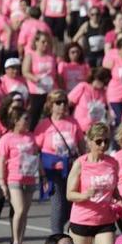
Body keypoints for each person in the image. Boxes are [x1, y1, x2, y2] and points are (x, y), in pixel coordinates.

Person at [67, 122, 120, 244]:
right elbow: (69, 194)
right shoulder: (80, 163)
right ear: (89, 142)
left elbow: (114, 189)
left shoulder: (112, 163)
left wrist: (118, 199)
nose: (103, 145)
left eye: (106, 141)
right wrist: (85, 195)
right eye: (98, 141)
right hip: (82, 220)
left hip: (105, 220)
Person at [34, 89, 85, 235]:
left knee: (69, 204)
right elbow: (35, 151)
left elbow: (82, 147)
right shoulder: (44, 125)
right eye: (58, 102)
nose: (63, 105)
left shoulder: (73, 123)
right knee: (58, 203)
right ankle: (56, 236)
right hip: (51, 170)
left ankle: (62, 228)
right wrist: (42, 174)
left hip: (71, 168)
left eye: (65, 102)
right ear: (51, 105)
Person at [0, 104, 41, 244]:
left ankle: (20, 243)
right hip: (14, 178)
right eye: (25, 119)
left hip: (30, 178)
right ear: (15, 121)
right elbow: (1, 161)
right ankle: (15, 243)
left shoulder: (31, 137)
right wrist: (2, 181)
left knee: (25, 213)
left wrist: (42, 176)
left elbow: (36, 157)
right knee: (20, 209)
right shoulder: (6, 139)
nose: (28, 121)